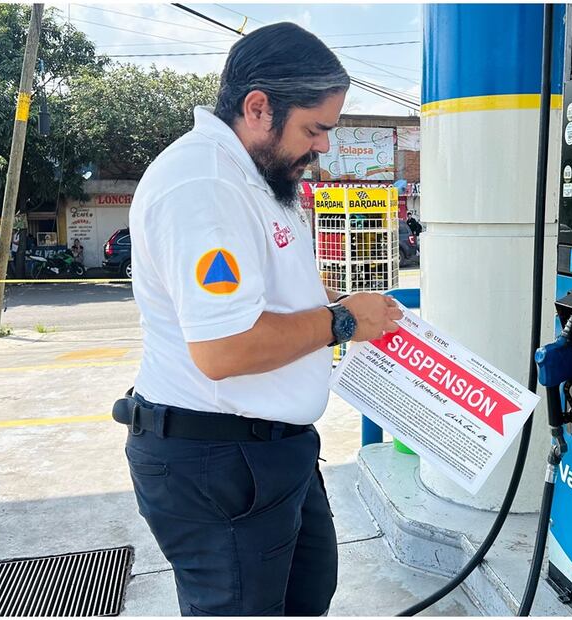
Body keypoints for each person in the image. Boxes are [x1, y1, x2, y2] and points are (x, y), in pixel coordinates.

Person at [112, 22, 402, 616]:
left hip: (271, 452)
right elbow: (225, 349)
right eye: (314, 129)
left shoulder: (258, 175)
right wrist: (343, 321)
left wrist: (341, 306)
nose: (324, 147)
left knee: (306, 595)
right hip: (218, 463)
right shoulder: (205, 184)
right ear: (258, 108)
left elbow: (269, 288)